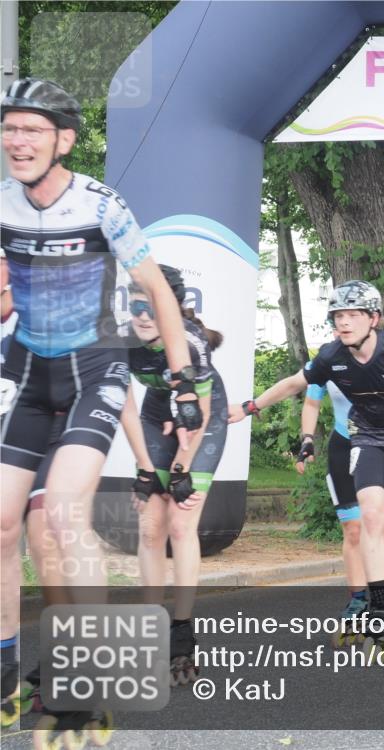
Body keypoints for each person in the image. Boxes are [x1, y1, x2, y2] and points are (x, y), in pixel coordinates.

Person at [0, 78, 203, 735]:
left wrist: (185, 380)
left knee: (61, 515)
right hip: (27, 370)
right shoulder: (2, 200)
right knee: (3, 525)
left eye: (31, 129)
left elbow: (156, 290)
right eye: (9, 129)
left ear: (64, 140)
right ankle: (6, 669)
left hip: (94, 369)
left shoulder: (100, 203)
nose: (16, 140)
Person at [229, 281, 384, 651]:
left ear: (373, 318)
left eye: (353, 315)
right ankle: (377, 607)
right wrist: (251, 408)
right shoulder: (331, 356)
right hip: (368, 437)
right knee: (372, 519)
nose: (344, 323)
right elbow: (293, 384)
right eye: (338, 316)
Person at [119, 267, 228, 685]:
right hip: (152, 413)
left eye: (152, 307)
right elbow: (125, 407)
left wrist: (181, 470)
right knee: (150, 527)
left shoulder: (191, 343)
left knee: (181, 525)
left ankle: (181, 630)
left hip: (203, 415)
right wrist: (146, 468)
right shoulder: (120, 339)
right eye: (135, 306)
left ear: (172, 308)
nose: (143, 316)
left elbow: (195, 416)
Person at [296, 343, 384, 640]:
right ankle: (358, 599)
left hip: (381, 446)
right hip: (344, 445)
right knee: (354, 530)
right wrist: (307, 438)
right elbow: (311, 403)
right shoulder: (327, 363)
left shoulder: (383, 357)